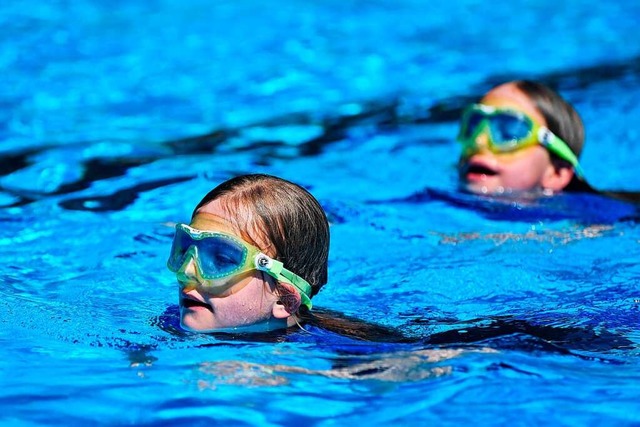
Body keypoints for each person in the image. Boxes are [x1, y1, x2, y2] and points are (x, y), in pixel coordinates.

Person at [167, 173, 330, 333]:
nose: (186, 272)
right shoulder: (167, 323)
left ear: (284, 300)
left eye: (222, 260)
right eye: (183, 249)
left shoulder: (340, 353)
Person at [457, 80, 593, 196]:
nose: (479, 142)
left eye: (510, 133)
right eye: (473, 127)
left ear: (556, 173)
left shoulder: (588, 224)